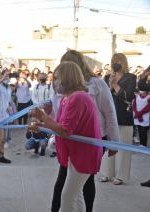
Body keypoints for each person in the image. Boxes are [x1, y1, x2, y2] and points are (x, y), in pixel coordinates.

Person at [50, 50, 120, 212]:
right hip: (70, 139)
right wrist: (47, 115)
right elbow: (61, 115)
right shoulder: (65, 88)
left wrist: (113, 142)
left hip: (92, 140)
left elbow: (109, 112)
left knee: (81, 183)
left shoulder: (96, 84)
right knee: (68, 183)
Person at [30, 61, 103, 212]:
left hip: (84, 155)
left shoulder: (78, 98)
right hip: (76, 154)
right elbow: (59, 125)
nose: (54, 82)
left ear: (68, 78)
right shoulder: (66, 99)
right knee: (75, 196)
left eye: (57, 78)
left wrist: (44, 118)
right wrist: (41, 126)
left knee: (67, 196)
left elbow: (64, 130)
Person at [101, 53, 136, 185]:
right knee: (109, 145)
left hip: (124, 116)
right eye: (114, 60)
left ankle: (120, 175)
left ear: (124, 62)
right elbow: (104, 97)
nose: (116, 62)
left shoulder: (131, 77)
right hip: (110, 115)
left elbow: (128, 97)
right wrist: (110, 85)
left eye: (119, 60)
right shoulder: (107, 77)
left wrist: (116, 85)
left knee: (123, 147)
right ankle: (106, 172)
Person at [0, 69, 12, 165]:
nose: (8, 78)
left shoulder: (8, 88)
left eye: (9, 76)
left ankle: (1, 155)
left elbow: (8, 101)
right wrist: (2, 78)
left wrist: (10, 108)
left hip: (6, 116)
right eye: (6, 76)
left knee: (4, 138)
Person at [132, 80, 150, 148]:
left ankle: (144, 144)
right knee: (139, 130)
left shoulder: (148, 98)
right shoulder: (137, 96)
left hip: (144, 117)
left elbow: (147, 108)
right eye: (141, 93)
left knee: (144, 131)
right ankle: (141, 143)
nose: (142, 94)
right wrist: (136, 113)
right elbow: (134, 105)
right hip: (138, 117)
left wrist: (139, 114)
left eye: (144, 93)